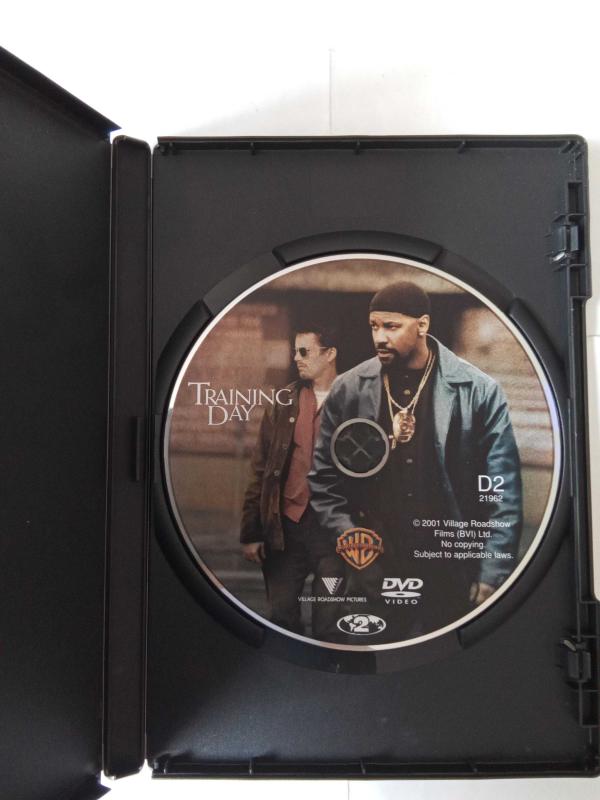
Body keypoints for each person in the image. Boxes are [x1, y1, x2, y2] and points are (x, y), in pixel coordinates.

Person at [309, 281, 522, 639]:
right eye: (374, 326)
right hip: (374, 565)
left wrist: (491, 573)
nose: (380, 337)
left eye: (391, 326)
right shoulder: (349, 388)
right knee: (368, 660)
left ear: (422, 325)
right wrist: (353, 542)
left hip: (450, 565)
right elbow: (323, 479)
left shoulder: (479, 390)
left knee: (448, 660)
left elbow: (503, 492)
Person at [240, 323, 340, 637]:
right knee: (281, 617)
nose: (297, 358)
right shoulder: (283, 401)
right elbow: (261, 468)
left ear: (330, 354)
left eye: (305, 351)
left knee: (331, 621)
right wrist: (252, 531)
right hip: (285, 530)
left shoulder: (358, 400)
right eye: (295, 351)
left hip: (335, 535)